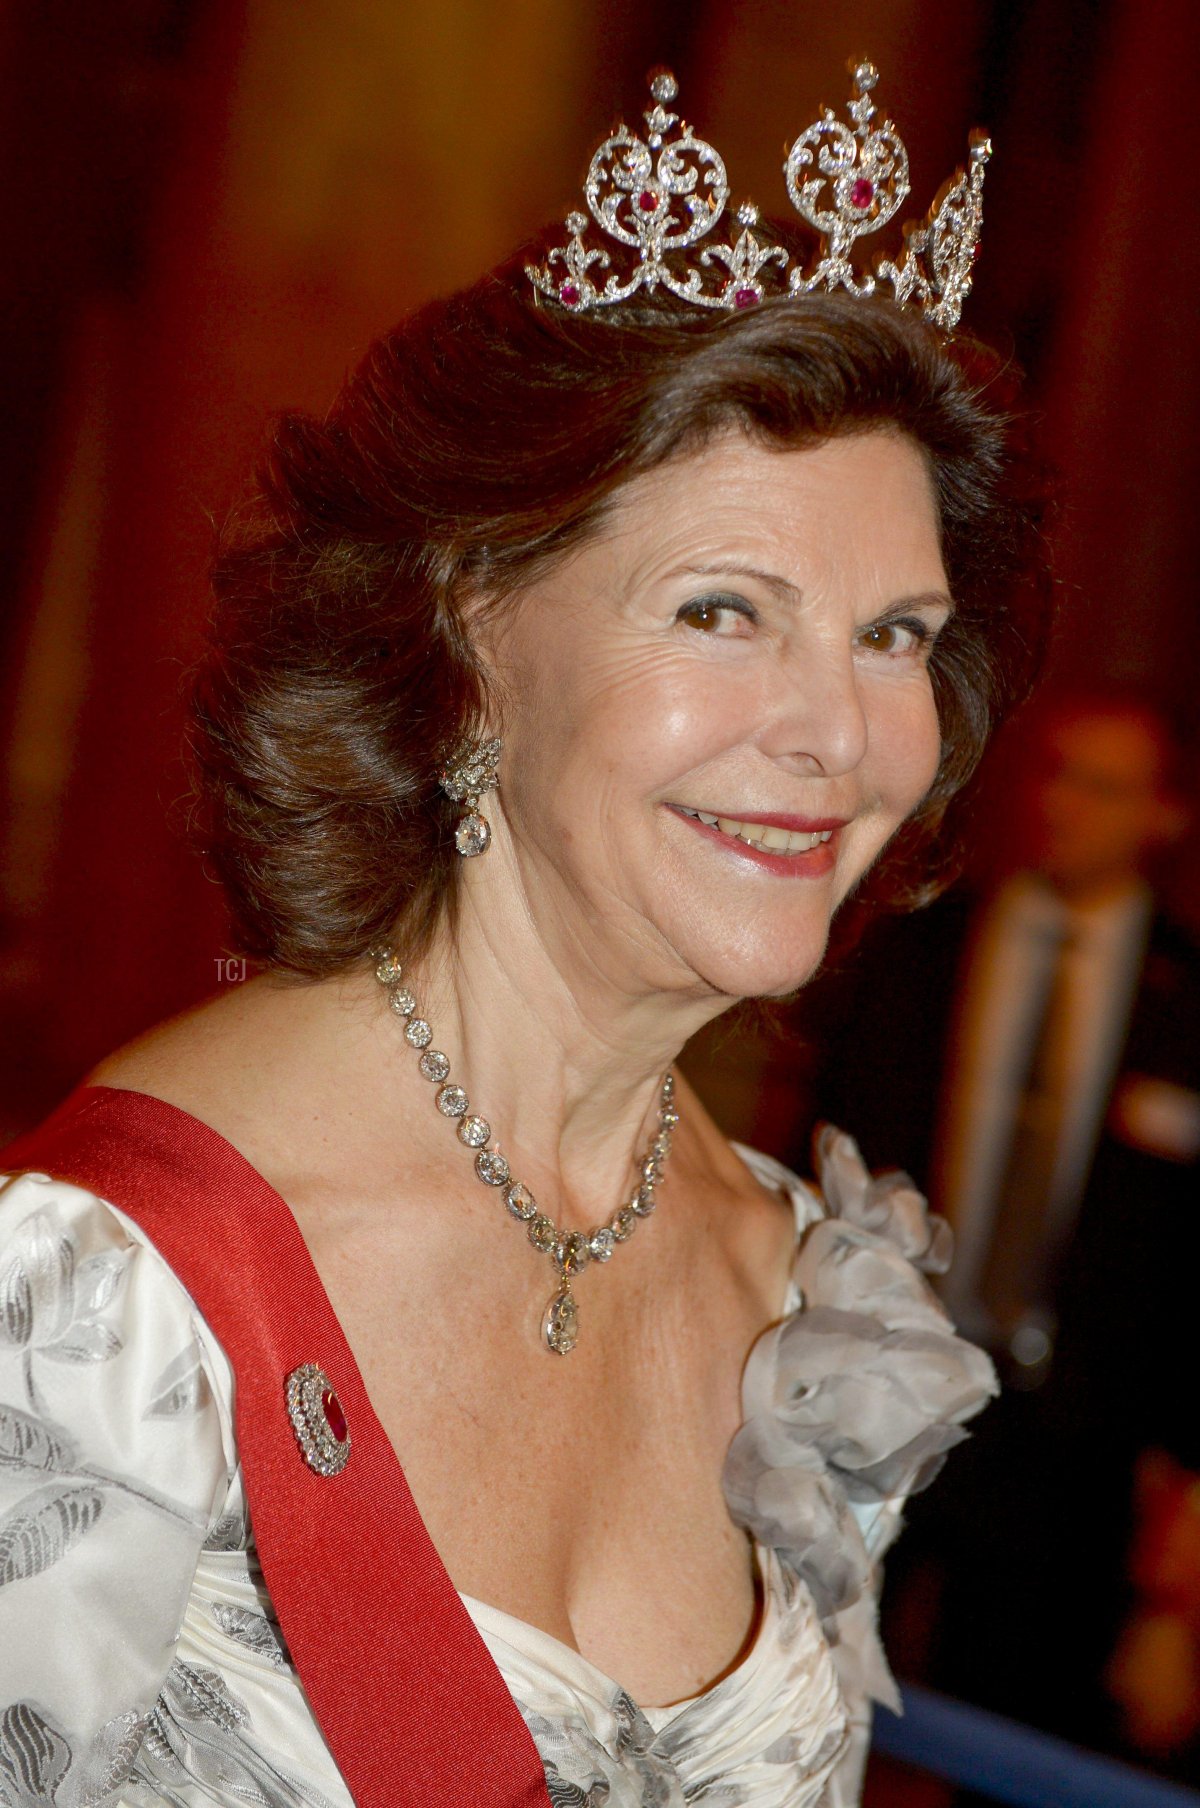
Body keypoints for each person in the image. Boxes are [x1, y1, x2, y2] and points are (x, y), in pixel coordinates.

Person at [0, 65, 1048, 1808]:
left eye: (893, 633)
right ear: (473, 630)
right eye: (725, 610)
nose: (841, 732)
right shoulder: (106, 1302)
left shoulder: (807, 1291)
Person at [803, 691, 1200, 1767]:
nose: (1064, 801)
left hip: (1065, 1439)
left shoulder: (1187, 999)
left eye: (1102, 784)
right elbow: (823, 1151)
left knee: (1012, 1737)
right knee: (808, 1708)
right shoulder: (918, 949)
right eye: (1055, 771)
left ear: (1162, 816)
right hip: (880, 1395)